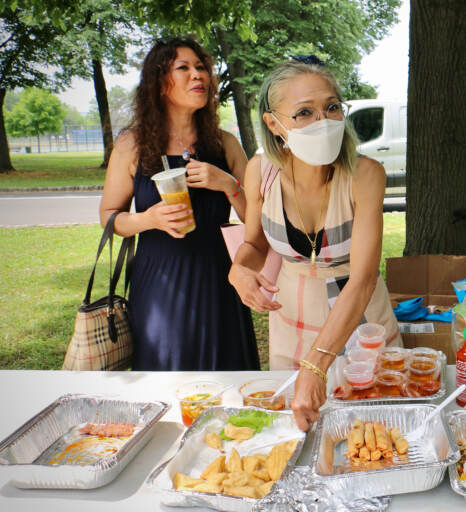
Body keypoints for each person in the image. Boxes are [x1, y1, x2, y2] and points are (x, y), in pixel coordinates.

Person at [228, 57, 402, 431]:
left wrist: (316, 363)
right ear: (273, 124)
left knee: (373, 429)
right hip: (290, 318)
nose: (323, 122)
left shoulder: (365, 175)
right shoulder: (260, 172)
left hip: (358, 319)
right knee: (295, 431)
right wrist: (238, 269)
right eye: (304, 113)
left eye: (332, 107)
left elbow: (363, 277)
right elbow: (255, 244)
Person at [99, 37, 260, 371]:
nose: (197, 76)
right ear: (160, 84)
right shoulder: (132, 146)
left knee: (224, 376)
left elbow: (258, 218)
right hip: (159, 282)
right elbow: (108, 216)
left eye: (200, 67)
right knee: (166, 372)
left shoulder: (224, 143)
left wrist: (228, 184)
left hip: (220, 278)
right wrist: (149, 219)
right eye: (183, 68)